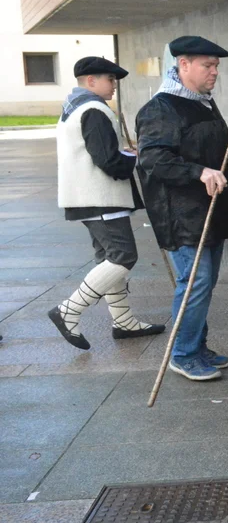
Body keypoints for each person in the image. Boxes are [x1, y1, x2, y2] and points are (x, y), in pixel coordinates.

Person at [136, 36, 228, 382]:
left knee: (204, 283)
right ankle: (183, 354)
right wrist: (199, 172)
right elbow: (153, 159)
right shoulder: (161, 108)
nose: (214, 72)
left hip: (210, 209)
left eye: (216, 66)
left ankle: (197, 345)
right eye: (207, 65)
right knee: (195, 281)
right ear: (183, 64)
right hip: (181, 214)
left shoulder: (203, 103)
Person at [47, 57, 166, 348]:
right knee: (123, 257)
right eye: (109, 79)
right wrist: (133, 158)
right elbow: (107, 160)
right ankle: (68, 310)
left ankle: (123, 321)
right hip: (100, 197)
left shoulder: (74, 107)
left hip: (87, 197)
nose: (114, 85)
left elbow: (96, 152)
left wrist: (123, 153)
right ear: (91, 81)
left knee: (109, 258)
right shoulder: (94, 109)